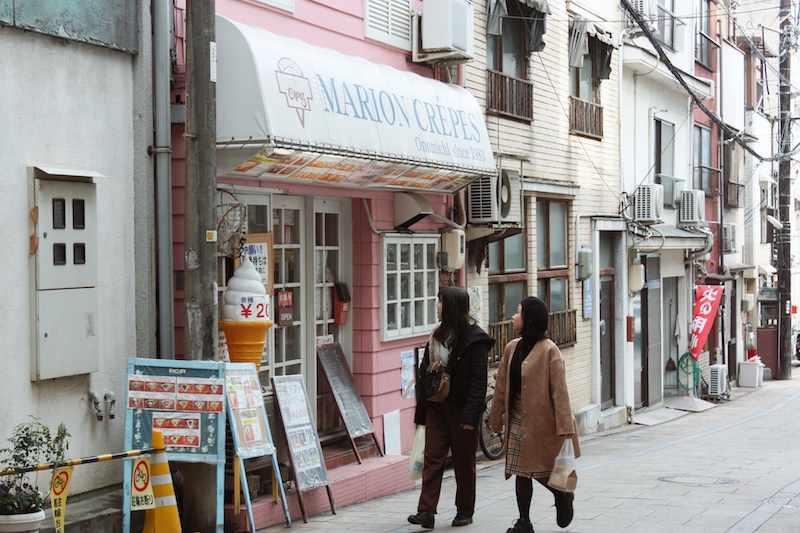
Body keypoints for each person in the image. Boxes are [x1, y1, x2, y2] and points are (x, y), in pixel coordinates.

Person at [490, 296, 581, 533]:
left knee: (541, 470)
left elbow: (560, 393)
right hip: (518, 417)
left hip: (543, 422)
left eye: (518, 312)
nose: (513, 316)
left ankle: (562, 495)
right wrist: (496, 417)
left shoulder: (550, 351)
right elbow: (501, 386)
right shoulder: (512, 348)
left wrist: (565, 428)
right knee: (521, 471)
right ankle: (524, 522)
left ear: (529, 320)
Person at [408, 287, 495, 529]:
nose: (436, 306)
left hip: (461, 410)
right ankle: (426, 510)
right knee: (432, 459)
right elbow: (425, 373)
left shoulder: (475, 340)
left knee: (463, 463)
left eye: (439, 302)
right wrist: (422, 413)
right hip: (437, 408)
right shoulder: (436, 335)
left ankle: (464, 510)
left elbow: (479, 382)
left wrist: (470, 416)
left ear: (451, 307)